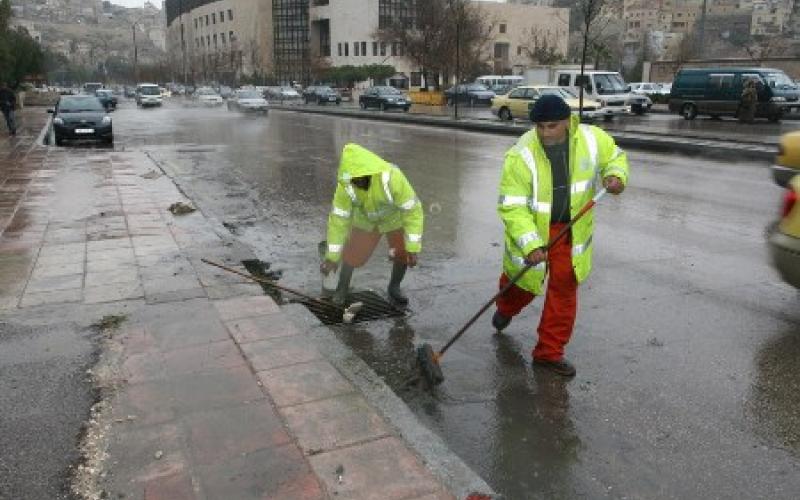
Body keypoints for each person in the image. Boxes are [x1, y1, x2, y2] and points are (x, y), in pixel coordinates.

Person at [493, 94, 629, 377]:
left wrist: (615, 176)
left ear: (568, 122)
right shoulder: (521, 155)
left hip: (571, 230)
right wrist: (530, 244)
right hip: (533, 230)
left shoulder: (593, 140)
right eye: (540, 127)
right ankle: (506, 307)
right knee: (522, 285)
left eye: (552, 126)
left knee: (564, 291)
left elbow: (615, 157)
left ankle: (549, 353)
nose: (545, 133)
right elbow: (513, 206)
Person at [321, 144, 424, 306]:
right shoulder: (345, 185)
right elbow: (338, 220)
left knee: (401, 252)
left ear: (370, 171)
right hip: (366, 221)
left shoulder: (392, 178)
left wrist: (412, 247)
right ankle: (342, 288)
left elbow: (413, 210)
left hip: (393, 220)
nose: (357, 184)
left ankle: (394, 287)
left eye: (361, 179)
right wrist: (332, 258)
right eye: (354, 180)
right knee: (352, 254)